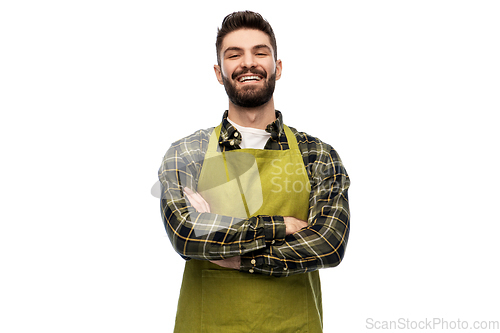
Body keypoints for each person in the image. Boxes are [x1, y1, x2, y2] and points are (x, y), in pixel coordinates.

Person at [158, 10, 350, 333]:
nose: (249, 63)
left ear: (277, 67)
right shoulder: (186, 154)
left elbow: (329, 244)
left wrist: (231, 255)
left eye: (260, 52)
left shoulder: (317, 155)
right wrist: (283, 226)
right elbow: (187, 234)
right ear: (220, 73)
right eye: (235, 55)